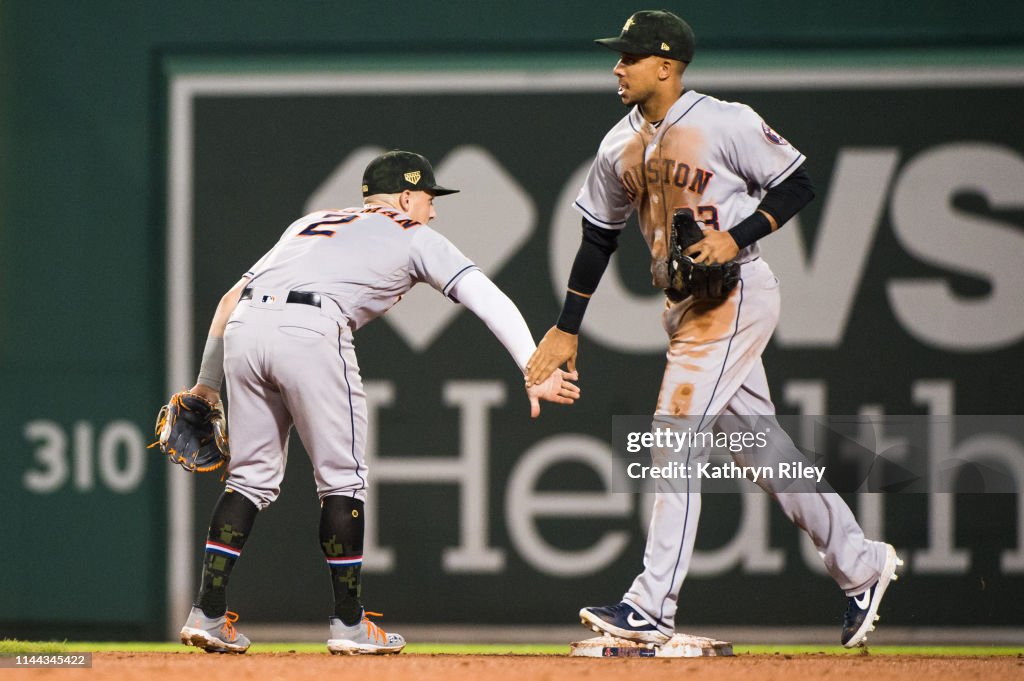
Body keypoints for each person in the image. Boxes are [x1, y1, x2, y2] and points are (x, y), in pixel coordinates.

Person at [525, 10, 900, 648]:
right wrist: (567, 328)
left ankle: (650, 607)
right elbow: (597, 238)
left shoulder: (724, 121)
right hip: (684, 307)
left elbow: (796, 184)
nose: (617, 67)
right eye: (618, 57)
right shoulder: (618, 144)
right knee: (763, 449)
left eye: (630, 57)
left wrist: (737, 235)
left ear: (666, 66)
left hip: (736, 293)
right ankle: (861, 564)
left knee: (673, 438)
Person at [177, 149, 580, 655]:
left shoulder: (310, 222)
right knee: (343, 480)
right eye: (430, 199)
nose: (433, 210)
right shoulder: (415, 234)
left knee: (249, 478)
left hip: (244, 329)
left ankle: (206, 613)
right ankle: (348, 626)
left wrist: (205, 387)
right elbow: (485, 295)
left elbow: (228, 300)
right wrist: (532, 365)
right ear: (407, 195)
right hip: (311, 327)